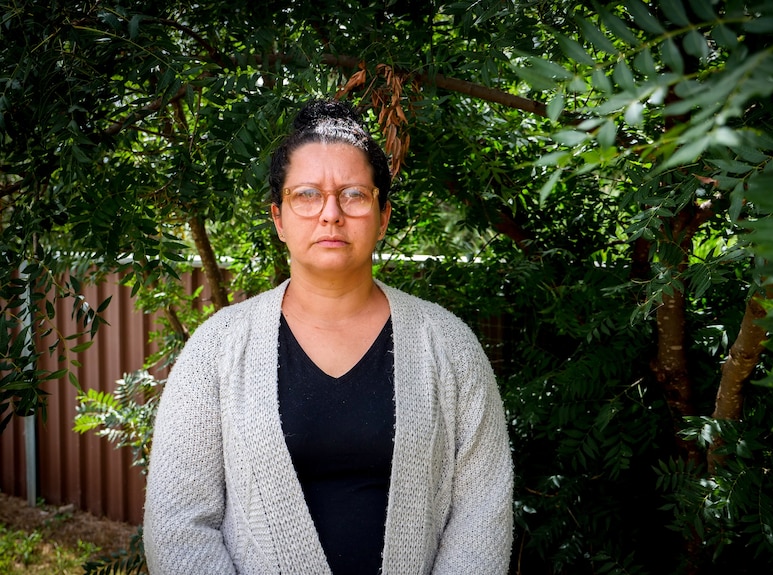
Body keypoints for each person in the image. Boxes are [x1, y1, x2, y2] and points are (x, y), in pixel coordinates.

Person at [142, 99, 513, 574]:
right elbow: (178, 527)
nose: (331, 213)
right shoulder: (216, 350)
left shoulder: (450, 347)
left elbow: (481, 517)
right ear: (278, 218)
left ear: (383, 215)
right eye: (307, 195)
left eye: (354, 194)